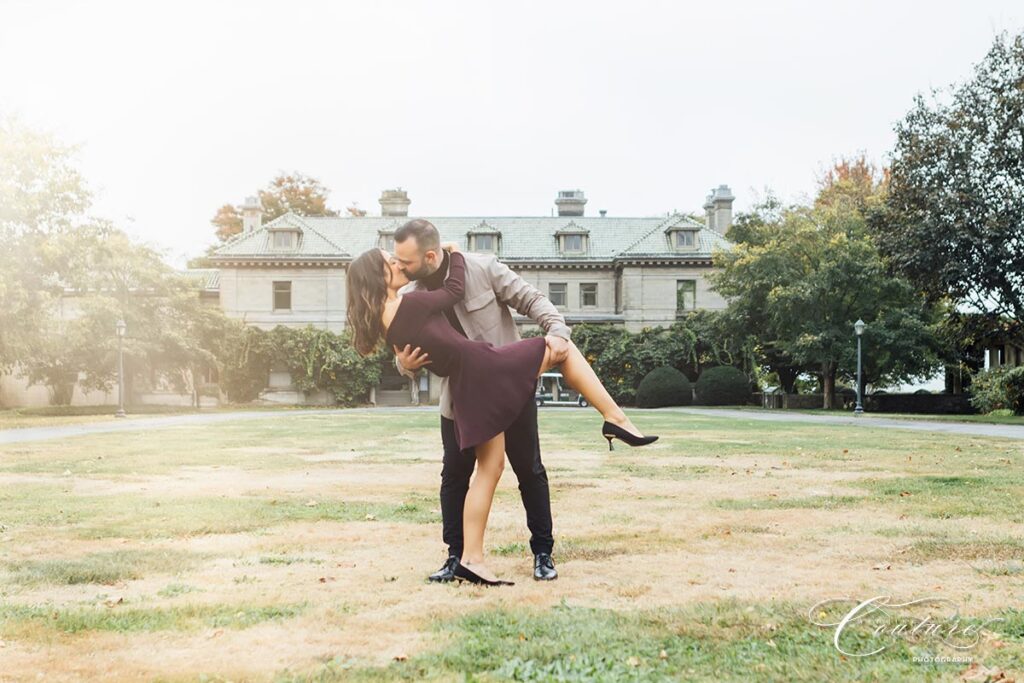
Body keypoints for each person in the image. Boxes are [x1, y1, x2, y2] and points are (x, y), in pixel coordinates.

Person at [346, 237, 658, 586]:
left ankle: (475, 559)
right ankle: (615, 418)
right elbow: (453, 290)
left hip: (476, 378)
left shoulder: (391, 316)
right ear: (379, 275)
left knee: (492, 469)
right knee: (561, 351)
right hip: (482, 371)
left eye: (402, 260)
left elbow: (525, 299)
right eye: (392, 262)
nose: (399, 266)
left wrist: (555, 325)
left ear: (428, 254)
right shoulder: (413, 299)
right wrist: (457, 253)